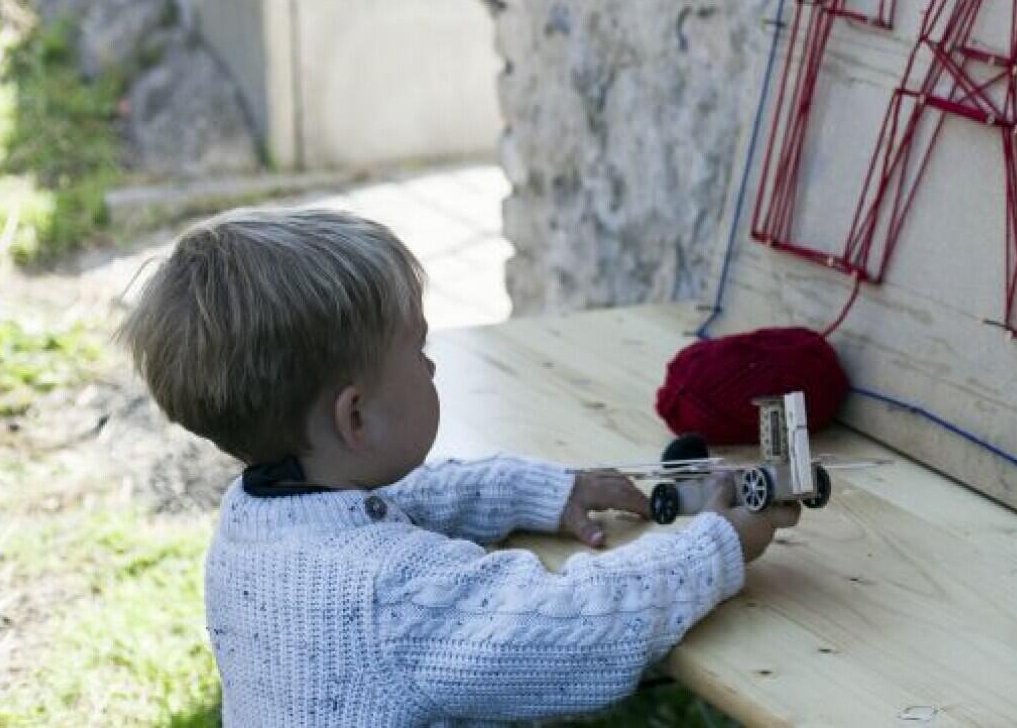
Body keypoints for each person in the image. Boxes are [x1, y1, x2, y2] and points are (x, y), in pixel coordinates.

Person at [117, 208, 794, 725]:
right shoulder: (393, 594)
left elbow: (415, 498)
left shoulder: (255, 518)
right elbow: (572, 623)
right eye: (418, 348)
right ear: (356, 417)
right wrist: (721, 544)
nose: (433, 364)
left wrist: (540, 491)